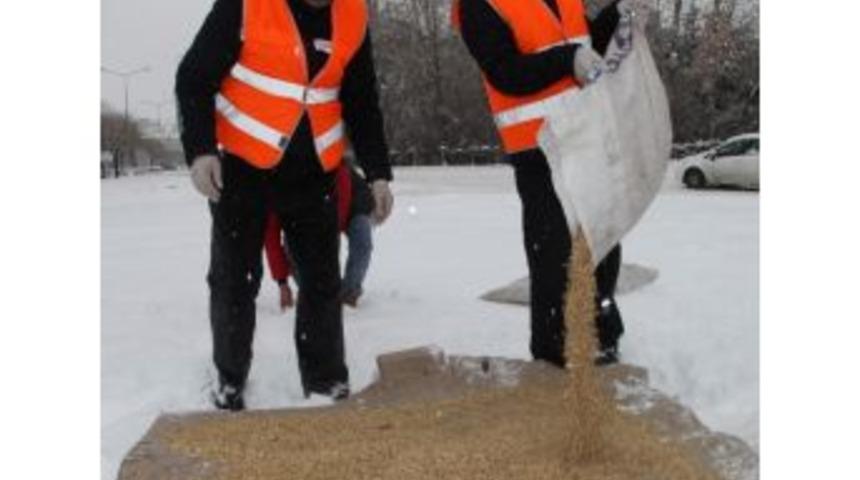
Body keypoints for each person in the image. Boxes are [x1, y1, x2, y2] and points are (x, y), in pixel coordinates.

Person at [176, 0, 393, 410]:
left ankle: (327, 385)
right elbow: (193, 77)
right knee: (233, 283)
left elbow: (362, 101)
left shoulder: (351, 15)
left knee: (321, 284)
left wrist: (379, 173)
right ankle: (229, 382)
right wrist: (200, 151)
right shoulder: (246, 6)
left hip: (314, 174)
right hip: (240, 171)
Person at [453, 0, 632, 367]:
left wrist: (617, 14)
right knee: (554, 255)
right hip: (538, 147)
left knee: (603, 244)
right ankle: (553, 356)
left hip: (585, 136)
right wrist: (568, 60)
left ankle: (602, 337)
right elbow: (506, 72)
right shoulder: (479, 5)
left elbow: (587, 46)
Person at [264, 161, 376, 309]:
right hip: (312, 211)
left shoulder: (332, 168)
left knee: (362, 243)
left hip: (354, 203)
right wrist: (282, 283)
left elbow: (337, 216)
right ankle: (311, 289)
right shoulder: (274, 196)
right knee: (292, 247)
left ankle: (349, 293)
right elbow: (272, 241)